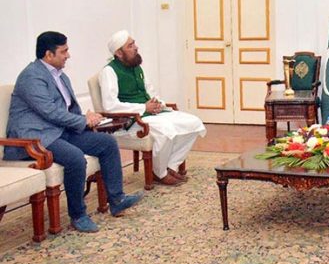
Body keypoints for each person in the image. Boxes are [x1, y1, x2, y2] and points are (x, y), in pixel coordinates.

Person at [4, 31, 143, 233]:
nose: (68, 55)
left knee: (107, 143)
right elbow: (50, 112)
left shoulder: (61, 76)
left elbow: (68, 110)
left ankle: (117, 199)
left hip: (59, 130)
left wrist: (88, 119)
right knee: (76, 158)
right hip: (37, 137)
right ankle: (78, 215)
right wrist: (82, 120)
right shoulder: (31, 77)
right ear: (48, 55)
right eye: (64, 51)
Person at [99, 30, 206, 186]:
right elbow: (110, 106)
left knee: (193, 123)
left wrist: (157, 104)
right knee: (166, 130)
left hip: (150, 114)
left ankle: (170, 166)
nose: (136, 47)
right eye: (130, 45)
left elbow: (150, 91)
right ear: (119, 53)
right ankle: (159, 173)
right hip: (131, 120)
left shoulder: (136, 66)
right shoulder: (109, 71)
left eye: (134, 43)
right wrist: (144, 107)